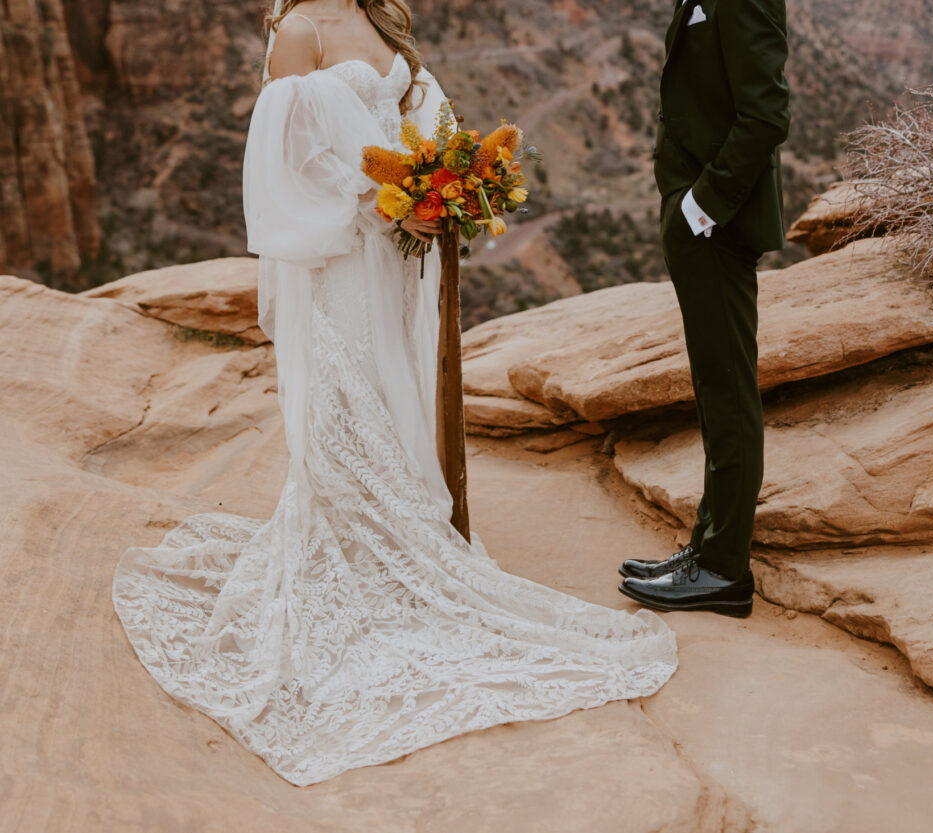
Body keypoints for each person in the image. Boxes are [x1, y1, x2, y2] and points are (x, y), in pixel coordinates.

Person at [110, 0, 677, 788]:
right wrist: (375, 200)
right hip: (344, 257)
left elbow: (420, 106)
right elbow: (282, 156)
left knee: (391, 382)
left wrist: (449, 174)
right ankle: (354, 539)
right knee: (347, 392)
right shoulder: (298, 32)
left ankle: (402, 526)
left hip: (396, 251)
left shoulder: (380, 15)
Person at [618, 0, 791, 617]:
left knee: (728, 392)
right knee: (713, 386)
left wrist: (701, 207)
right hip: (693, 213)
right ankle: (706, 549)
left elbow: (767, 113)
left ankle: (723, 572)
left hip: (716, 222)